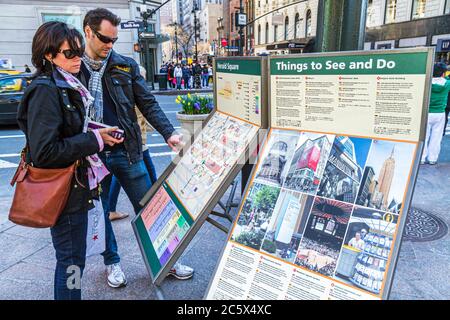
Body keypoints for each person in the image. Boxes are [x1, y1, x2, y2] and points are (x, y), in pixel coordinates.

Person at [80, 8, 193, 288]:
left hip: (126, 151)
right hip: (91, 157)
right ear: (88, 32)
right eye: (104, 39)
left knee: (151, 208)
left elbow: (148, 103)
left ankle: (167, 259)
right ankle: (112, 263)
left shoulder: (124, 65)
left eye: (114, 40)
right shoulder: (74, 66)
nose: (109, 45)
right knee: (101, 213)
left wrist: (168, 133)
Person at [17, 21, 123, 300]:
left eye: (79, 51)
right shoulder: (45, 90)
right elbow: (45, 152)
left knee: (74, 260)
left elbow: (67, 129)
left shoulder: (66, 83)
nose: (78, 58)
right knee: (71, 263)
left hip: (76, 186)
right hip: (64, 192)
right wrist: (94, 141)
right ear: (48, 55)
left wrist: (97, 132)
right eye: (69, 53)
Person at [108, 65, 158, 221]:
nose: (141, 82)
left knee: (119, 176)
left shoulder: (129, 93)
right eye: (140, 79)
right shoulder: (132, 96)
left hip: (136, 145)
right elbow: (140, 120)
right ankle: (155, 210)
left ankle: (111, 209)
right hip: (137, 145)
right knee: (150, 175)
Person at [421, 62, 450, 165]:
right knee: (436, 137)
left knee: (424, 136)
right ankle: (432, 158)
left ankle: (422, 158)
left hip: (427, 112)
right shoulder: (447, 83)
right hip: (440, 113)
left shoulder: (427, 82)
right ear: (443, 73)